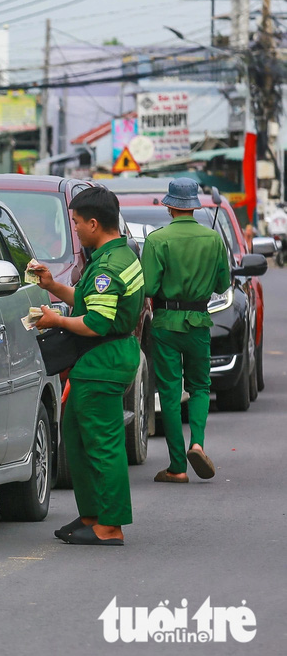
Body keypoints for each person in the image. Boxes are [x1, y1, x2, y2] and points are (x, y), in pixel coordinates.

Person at [33, 186, 143, 546]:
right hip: (102, 359)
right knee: (79, 438)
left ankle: (110, 525)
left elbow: (94, 322)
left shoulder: (108, 267)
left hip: (103, 360)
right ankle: (93, 516)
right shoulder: (115, 256)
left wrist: (56, 322)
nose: (75, 228)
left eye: (77, 223)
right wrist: (53, 286)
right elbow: (88, 301)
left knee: (102, 444)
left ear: (94, 223)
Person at [141, 178, 232, 483]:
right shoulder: (213, 239)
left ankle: (177, 467)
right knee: (201, 388)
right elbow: (222, 285)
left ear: (169, 206)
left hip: (166, 322)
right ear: (194, 205)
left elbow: (150, 287)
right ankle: (197, 444)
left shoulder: (156, 240)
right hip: (199, 322)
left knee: (168, 392)